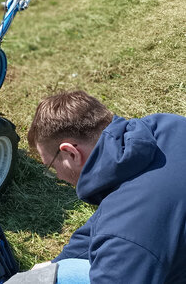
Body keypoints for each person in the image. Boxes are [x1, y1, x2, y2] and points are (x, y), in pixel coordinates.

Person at [26, 90, 186, 283]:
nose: (58, 177)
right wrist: (57, 263)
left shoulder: (125, 238)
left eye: (51, 167)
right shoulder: (168, 124)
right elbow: (105, 220)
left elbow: (122, 234)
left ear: (71, 153)